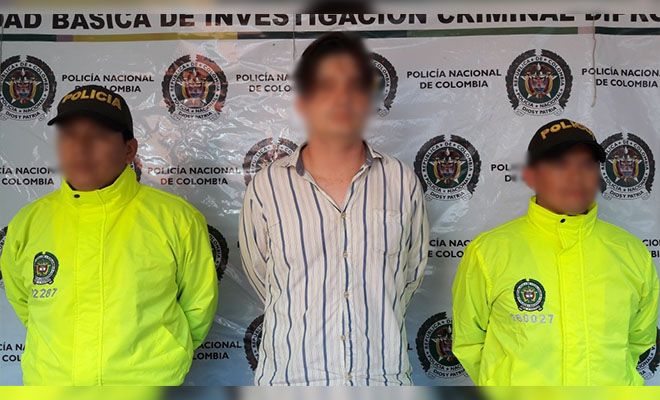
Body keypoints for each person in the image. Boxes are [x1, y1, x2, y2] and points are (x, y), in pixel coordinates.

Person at [238, 32, 429, 386]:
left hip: (381, 380)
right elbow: (264, 277)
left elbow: (409, 276)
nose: (341, 99)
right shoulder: (268, 187)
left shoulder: (401, 182)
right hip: (292, 382)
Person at [0, 85, 218, 385]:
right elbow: (24, 303)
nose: (81, 148)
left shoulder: (177, 220)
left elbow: (198, 307)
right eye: (69, 136)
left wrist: (166, 356)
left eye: (98, 135)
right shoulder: (28, 223)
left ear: (129, 150)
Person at [451, 119, 659, 385]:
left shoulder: (631, 252)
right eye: (560, 164)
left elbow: (639, 340)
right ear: (532, 176)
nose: (576, 177)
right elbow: (469, 342)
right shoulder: (488, 251)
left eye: (587, 165)